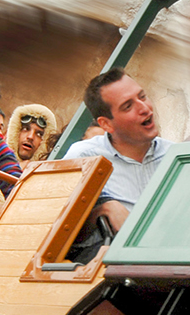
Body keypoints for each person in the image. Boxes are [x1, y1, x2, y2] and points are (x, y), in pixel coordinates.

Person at [63, 68, 172, 232]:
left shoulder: (176, 156)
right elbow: (57, 224)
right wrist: (102, 210)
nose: (144, 108)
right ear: (106, 124)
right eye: (128, 106)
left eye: (142, 96)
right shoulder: (83, 158)